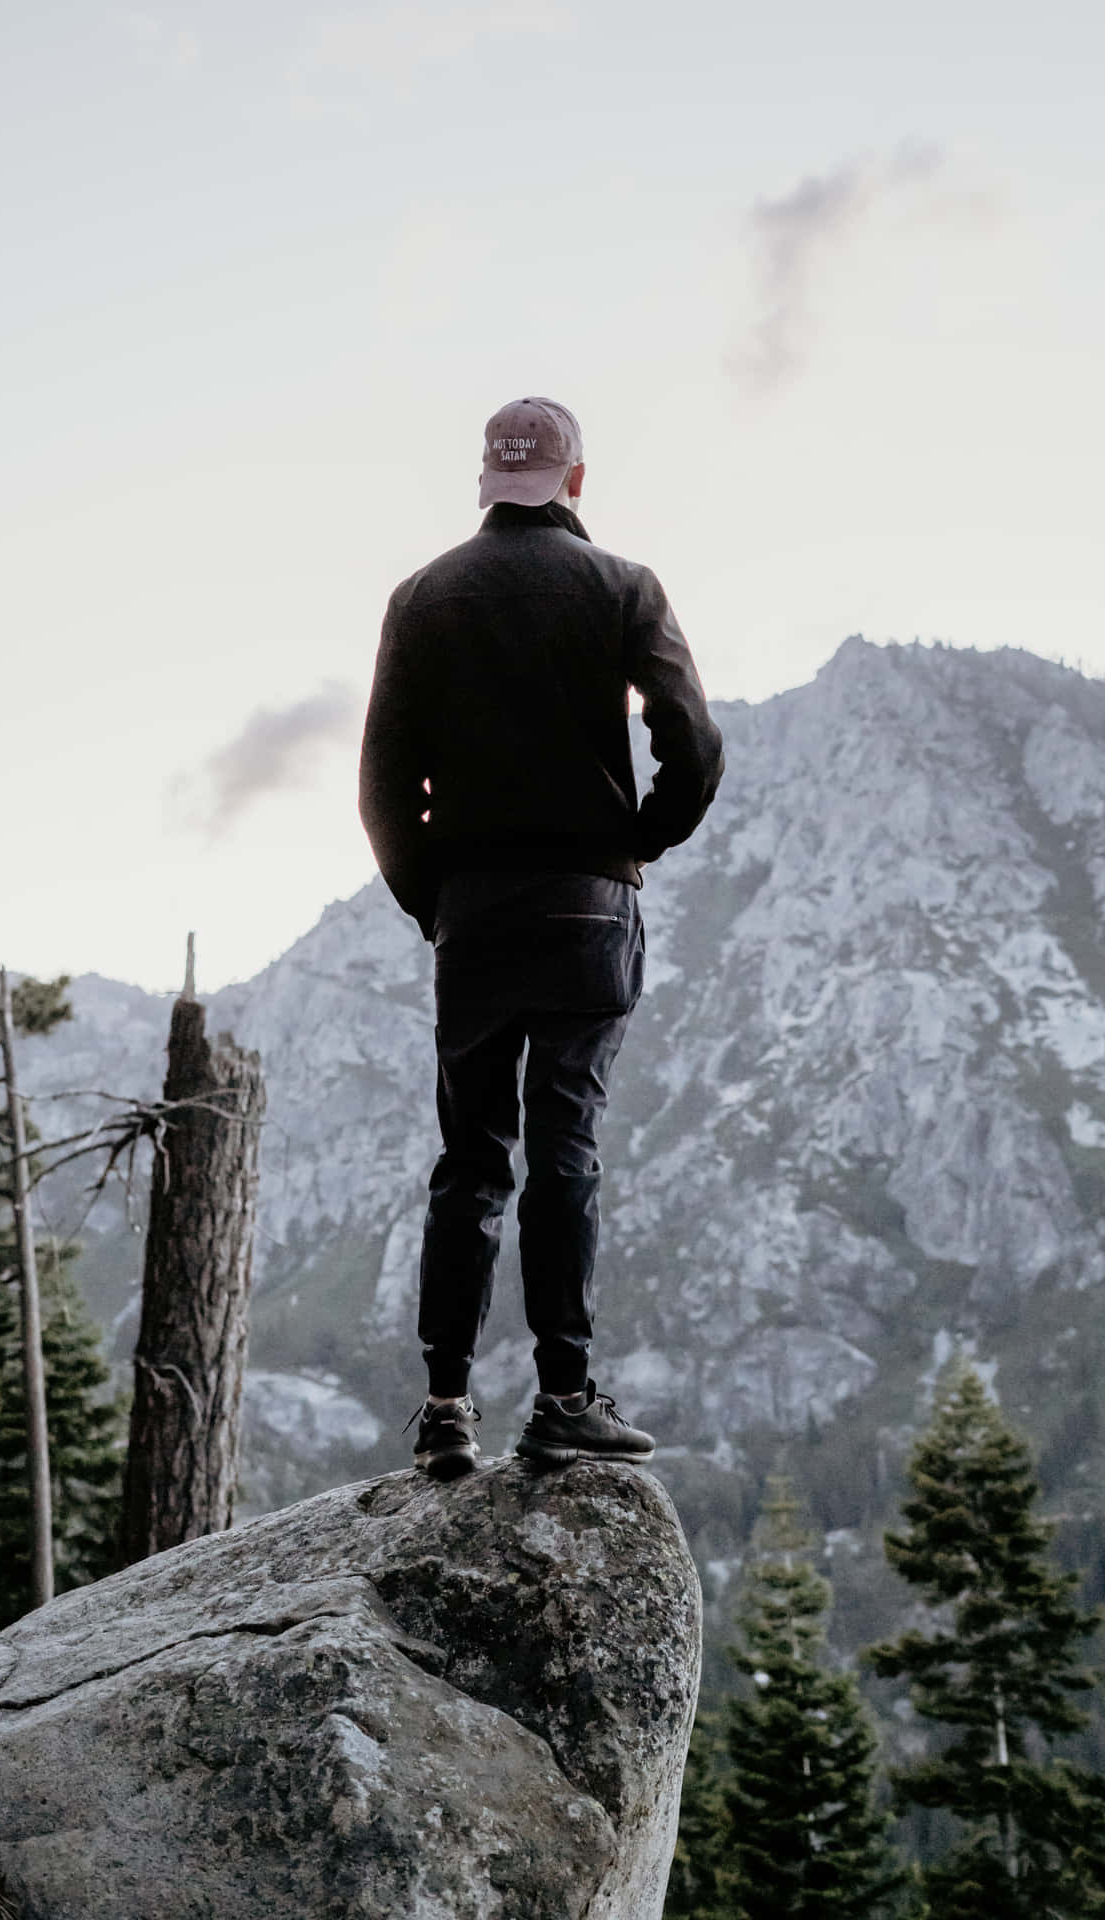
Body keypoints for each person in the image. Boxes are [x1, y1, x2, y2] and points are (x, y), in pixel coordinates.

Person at [359, 395, 724, 1479]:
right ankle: (564, 1395)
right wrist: (635, 841)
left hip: (474, 912)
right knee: (564, 1143)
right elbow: (692, 746)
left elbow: (382, 784)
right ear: (573, 481)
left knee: (469, 1159)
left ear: (485, 482)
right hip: (585, 909)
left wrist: (435, 899)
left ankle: (443, 1409)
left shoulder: (420, 598)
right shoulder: (622, 587)